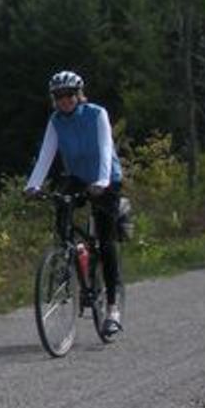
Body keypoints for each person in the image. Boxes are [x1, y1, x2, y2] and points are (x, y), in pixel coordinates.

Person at [23, 69, 126, 337]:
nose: (64, 100)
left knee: (105, 241)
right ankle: (69, 258)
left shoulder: (96, 114)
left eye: (69, 95)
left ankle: (113, 307)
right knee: (62, 208)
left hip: (107, 178)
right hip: (79, 177)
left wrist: (102, 182)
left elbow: (105, 148)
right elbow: (46, 153)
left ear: (79, 95)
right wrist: (33, 185)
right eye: (59, 96)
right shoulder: (56, 120)